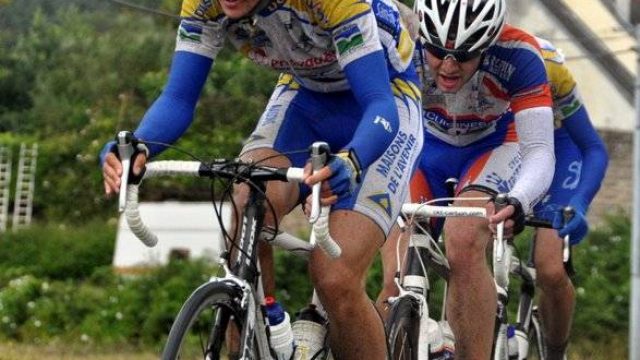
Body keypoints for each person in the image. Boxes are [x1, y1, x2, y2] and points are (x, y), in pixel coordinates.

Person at [100, 0, 424, 359]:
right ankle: (264, 323)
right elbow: (178, 98)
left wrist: (354, 160)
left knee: (335, 279)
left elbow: (379, 105)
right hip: (304, 96)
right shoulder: (205, 4)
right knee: (247, 193)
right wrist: (139, 145)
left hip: (383, 102)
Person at [377, 0, 557, 358]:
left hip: (491, 147)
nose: (448, 65)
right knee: (394, 269)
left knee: (463, 237)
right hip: (423, 146)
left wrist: (518, 199)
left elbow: (539, 150)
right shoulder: (401, 43)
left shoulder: (519, 55)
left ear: (488, 43)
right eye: (437, 51)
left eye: (464, 55)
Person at [527, 36, 608, 359]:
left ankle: (555, 352)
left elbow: (593, 148)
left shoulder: (549, 66)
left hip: (560, 144)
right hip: (505, 143)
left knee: (549, 267)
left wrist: (580, 202)